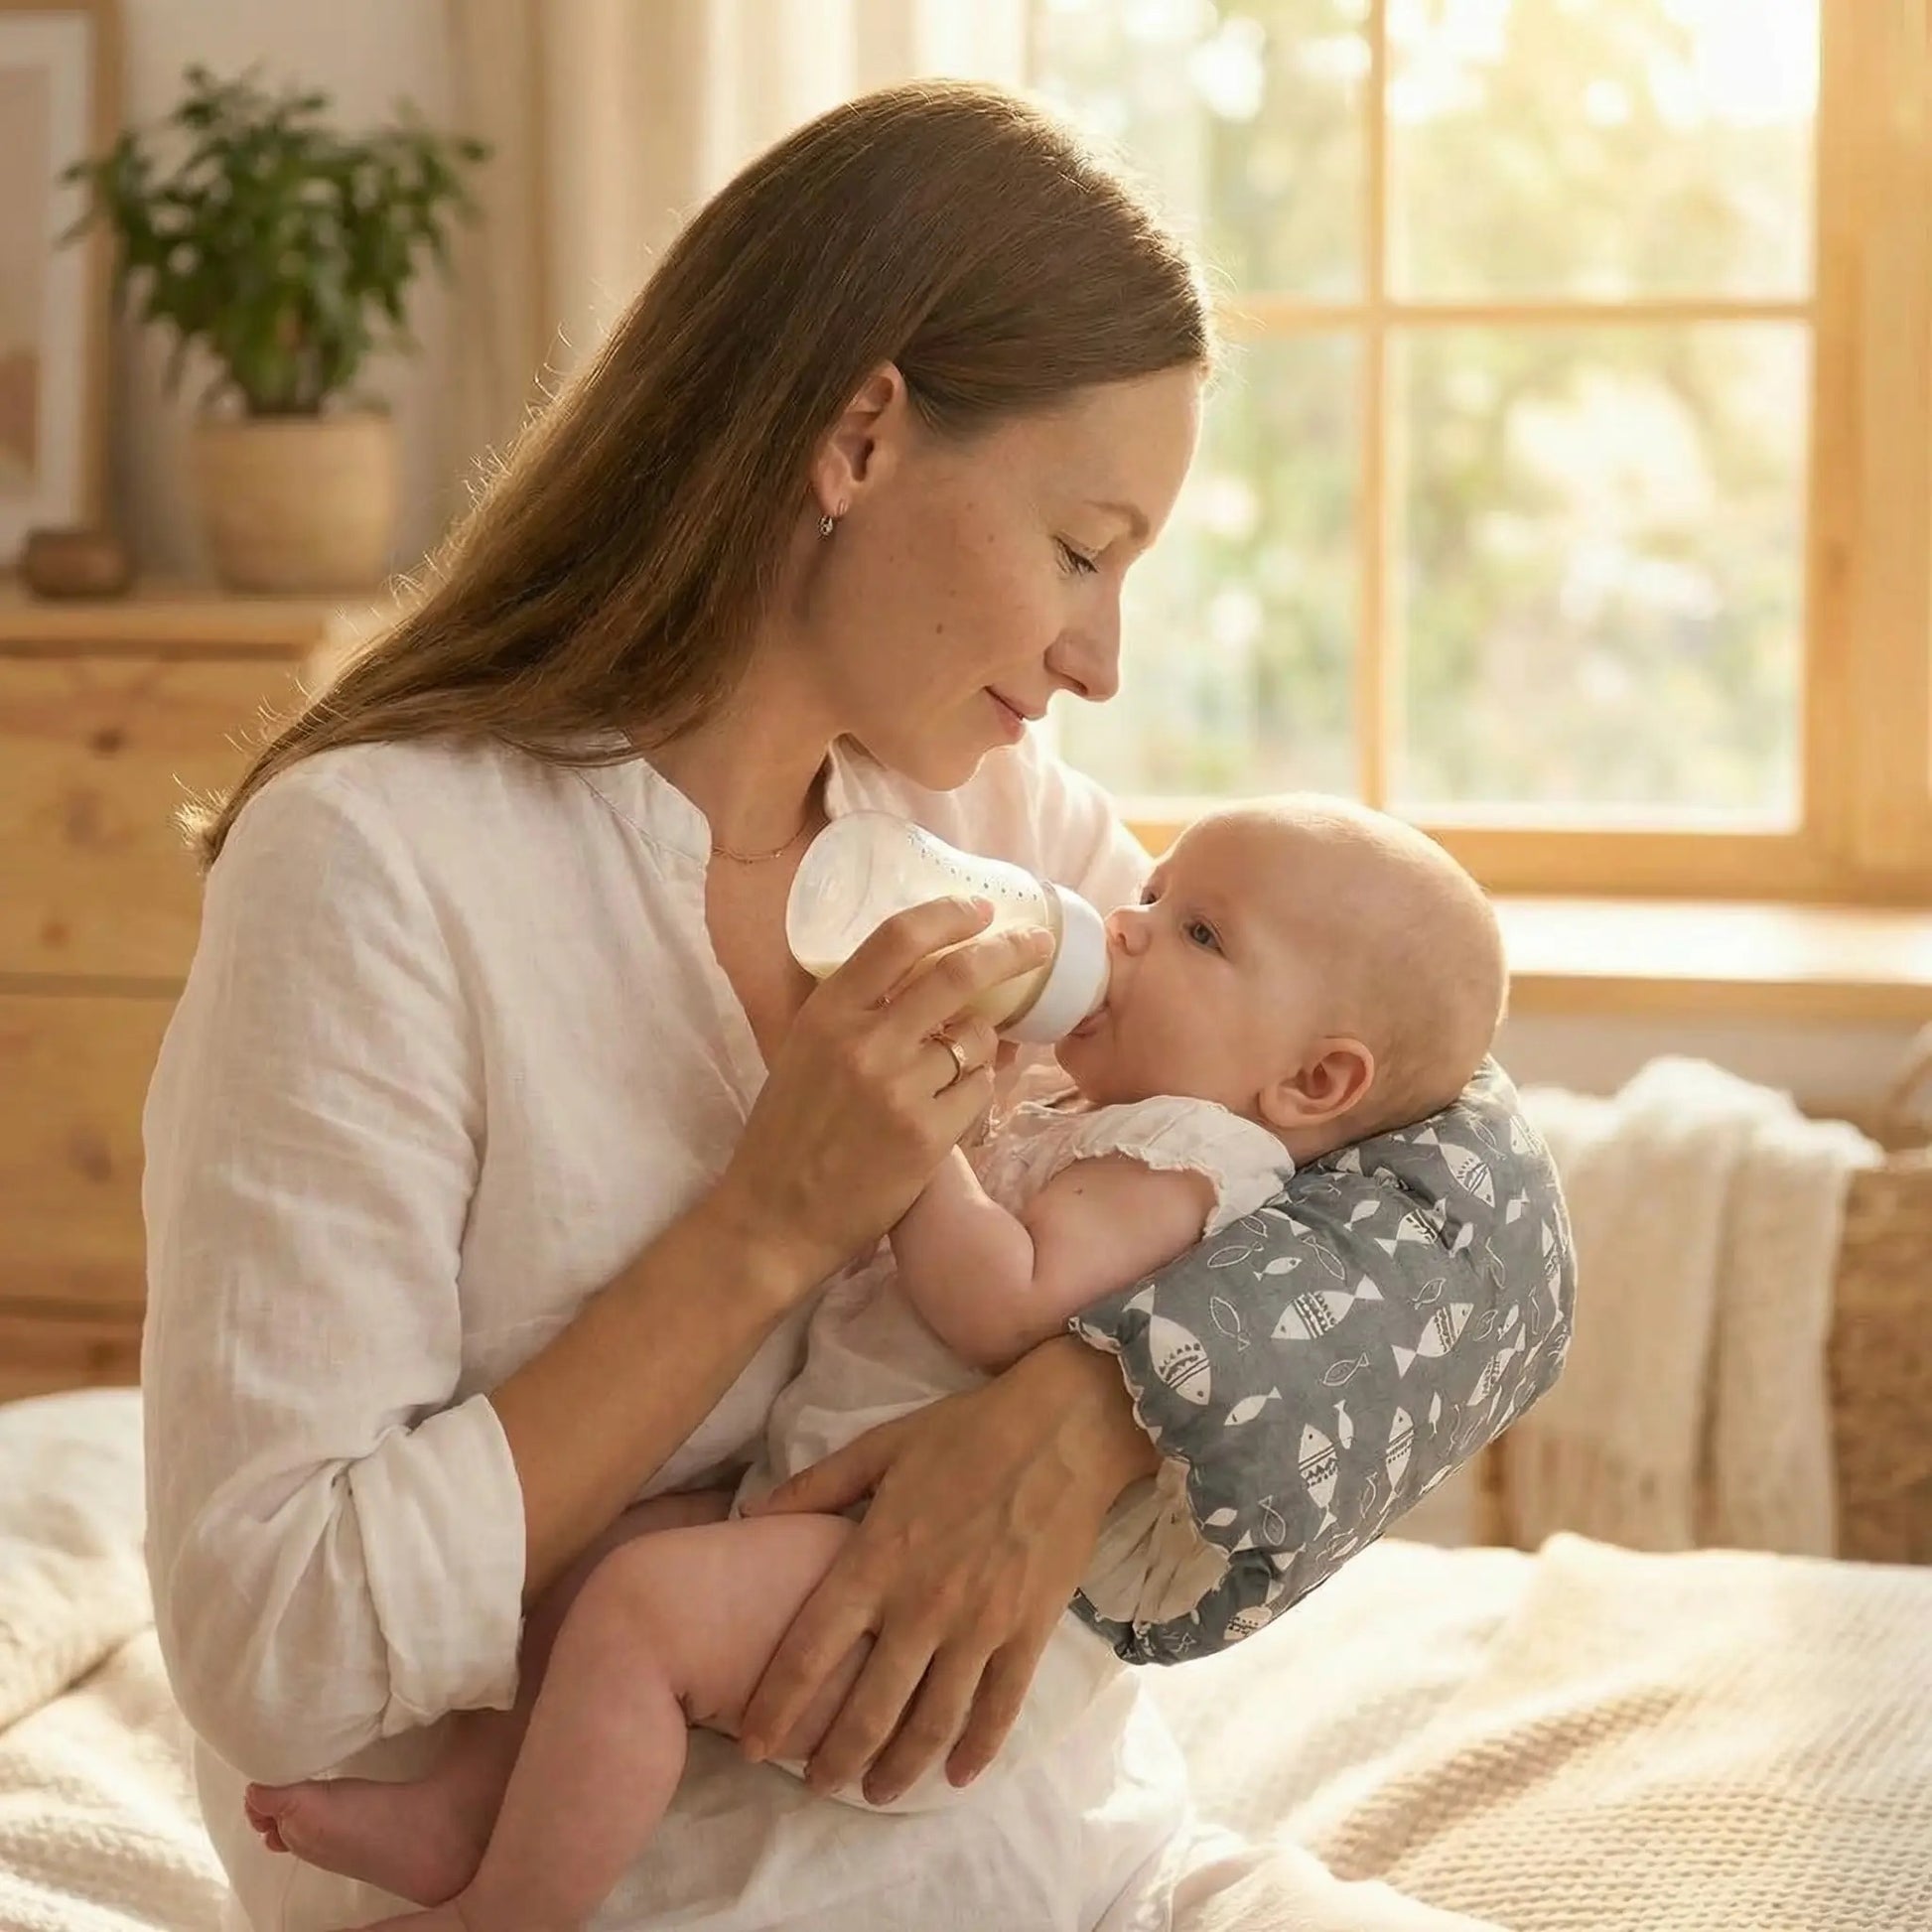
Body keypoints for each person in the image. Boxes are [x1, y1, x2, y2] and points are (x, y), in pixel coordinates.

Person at [140, 80, 1575, 1932]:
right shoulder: (381, 866)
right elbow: (275, 1654)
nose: (1099, 660)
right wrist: (761, 1228)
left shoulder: (984, 819)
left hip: (1074, 1859)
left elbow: (1487, 1220)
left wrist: (1094, 1411)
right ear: (858, 439)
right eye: (1080, 550)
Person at [239, 796, 1509, 1932]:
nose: (1124, 926)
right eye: (1151, 893)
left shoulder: (1193, 1158)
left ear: (1314, 1079)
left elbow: (1006, 1303)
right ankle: (469, 1808)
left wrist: (910, 1139)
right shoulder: (1115, 1111)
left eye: (1198, 933)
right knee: (597, 1556)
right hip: (835, 1509)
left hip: (917, 1600)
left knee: (637, 1612)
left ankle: (507, 1911)